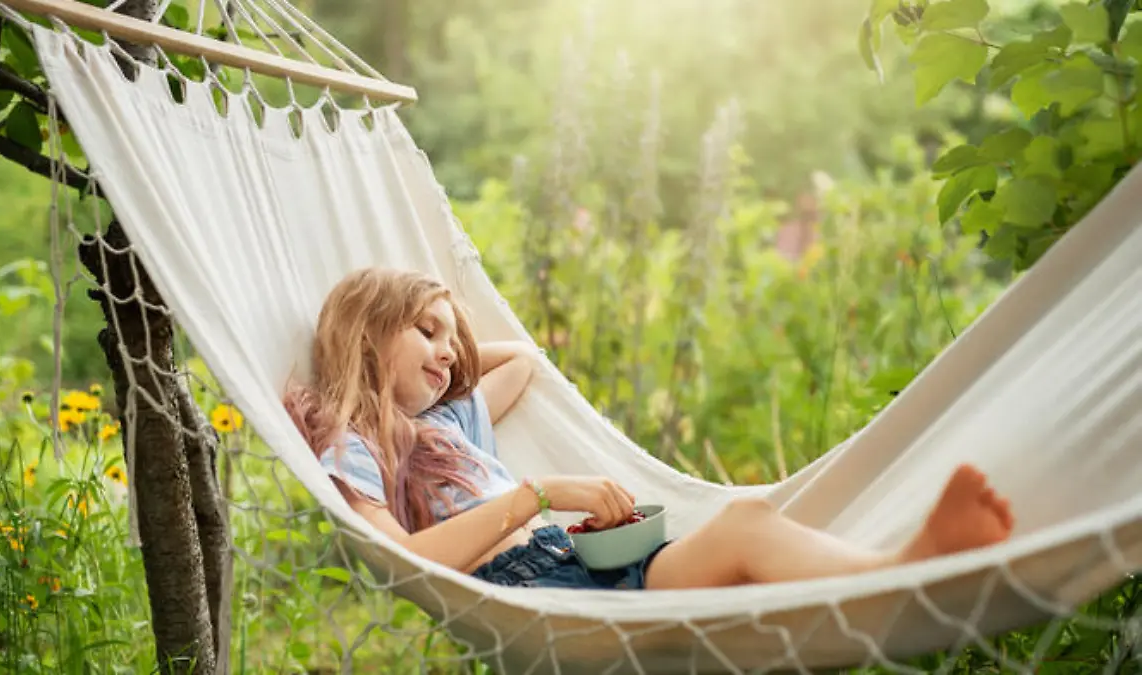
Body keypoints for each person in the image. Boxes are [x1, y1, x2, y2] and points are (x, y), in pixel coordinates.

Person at [284, 267, 1015, 591]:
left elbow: (522, 362)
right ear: (368, 336)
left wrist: (447, 345)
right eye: (426, 330)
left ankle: (905, 565)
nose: (450, 352)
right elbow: (403, 557)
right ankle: (905, 571)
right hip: (528, 585)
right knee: (741, 537)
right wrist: (535, 494)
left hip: (574, 560)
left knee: (746, 522)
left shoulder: (449, 421)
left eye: (454, 338)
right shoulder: (358, 442)